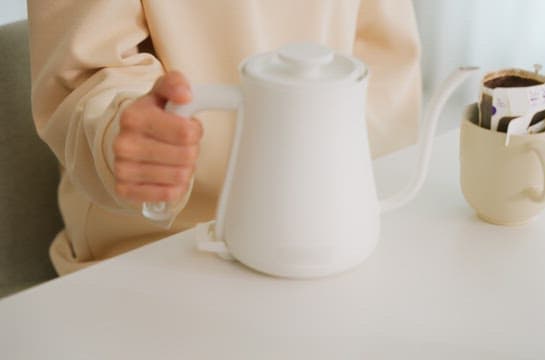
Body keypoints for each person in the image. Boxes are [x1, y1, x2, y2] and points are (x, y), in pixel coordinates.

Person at [27, 0, 422, 275]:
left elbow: (385, 63)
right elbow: (87, 80)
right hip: (161, 250)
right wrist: (122, 135)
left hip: (333, 234)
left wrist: (344, 201)